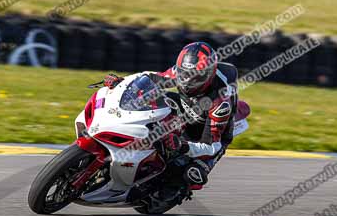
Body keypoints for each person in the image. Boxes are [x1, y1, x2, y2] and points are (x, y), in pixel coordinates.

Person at [103, 41, 242, 191]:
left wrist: (182, 145)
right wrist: (123, 82)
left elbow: (211, 146)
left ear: (208, 75)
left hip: (210, 132)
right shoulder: (183, 72)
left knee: (193, 175)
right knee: (154, 102)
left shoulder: (220, 101)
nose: (187, 82)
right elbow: (151, 78)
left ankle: (172, 190)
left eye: (195, 79)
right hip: (188, 108)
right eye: (183, 75)